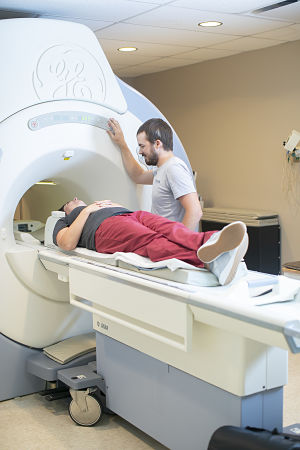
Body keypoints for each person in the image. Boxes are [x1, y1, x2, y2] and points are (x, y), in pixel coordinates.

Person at [53, 198, 248, 286]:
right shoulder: (63, 220)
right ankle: (209, 261)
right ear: (65, 210)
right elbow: (67, 243)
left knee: (170, 228)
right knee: (153, 240)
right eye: (71, 201)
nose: (76, 198)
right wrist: (86, 211)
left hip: (129, 214)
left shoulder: (95, 204)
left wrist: (114, 206)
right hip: (103, 228)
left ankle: (210, 242)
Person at [107, 118, 202, 231]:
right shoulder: (162, 169)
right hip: (159, 239)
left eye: (142, 146)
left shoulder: (174, 168)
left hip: (170, 243)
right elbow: (138, 175)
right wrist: (122, 143)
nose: (140, 152)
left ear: (157, 144)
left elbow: (195, 211)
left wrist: (178, 243)